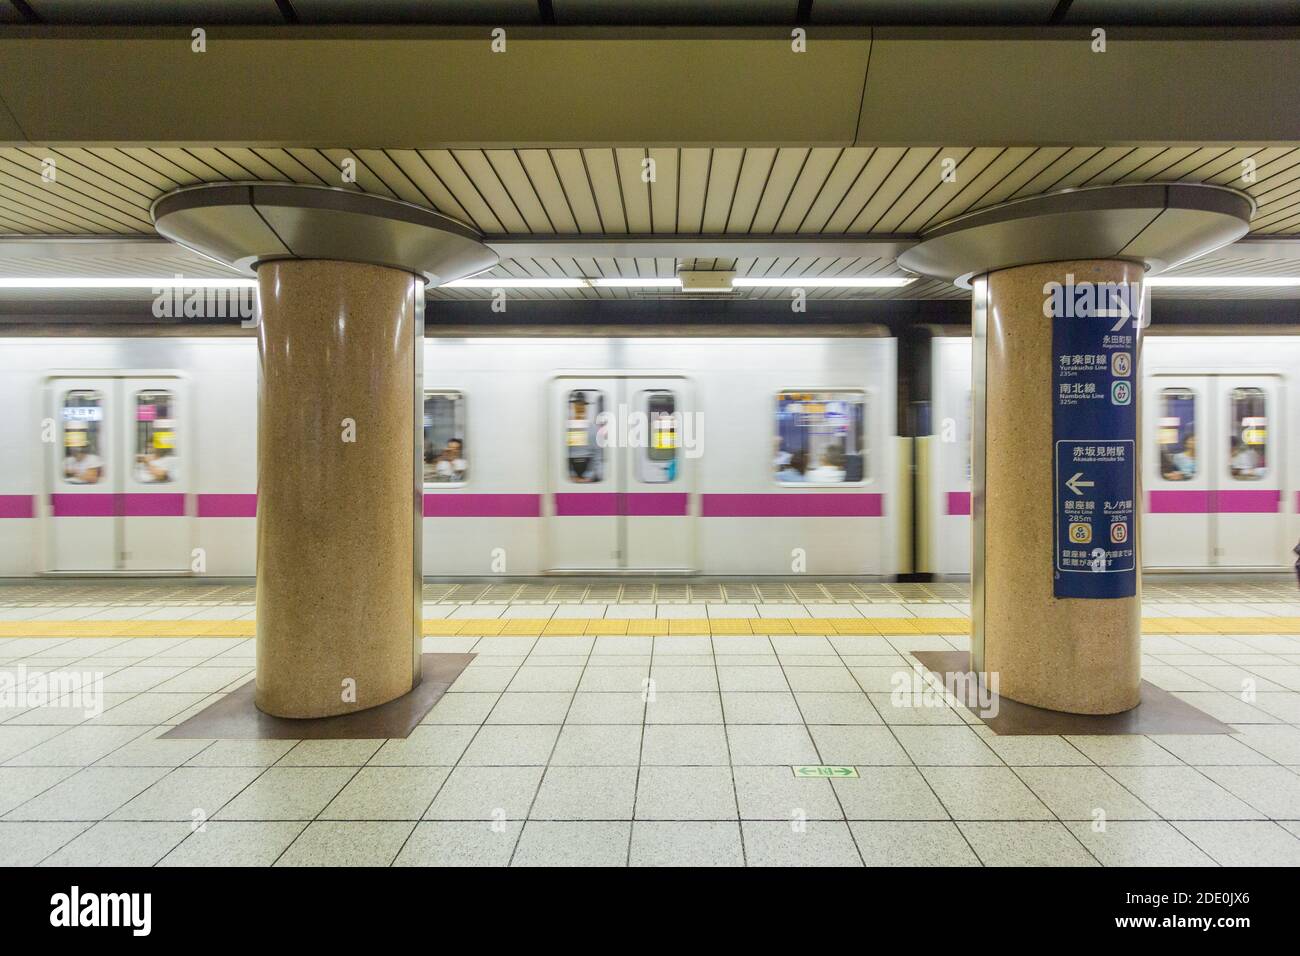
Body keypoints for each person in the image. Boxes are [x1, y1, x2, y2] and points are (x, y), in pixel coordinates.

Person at [567, 394, 600, 482]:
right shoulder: (567, 428)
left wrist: (589, 475)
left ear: (586, 407)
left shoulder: (593, 428)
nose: (580, 407)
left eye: (582, 404)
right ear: (573, 406)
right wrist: (571, 475)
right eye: (577, 404)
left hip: (588, 467)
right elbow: (564, 453)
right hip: (570, 470)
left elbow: (597, 453)